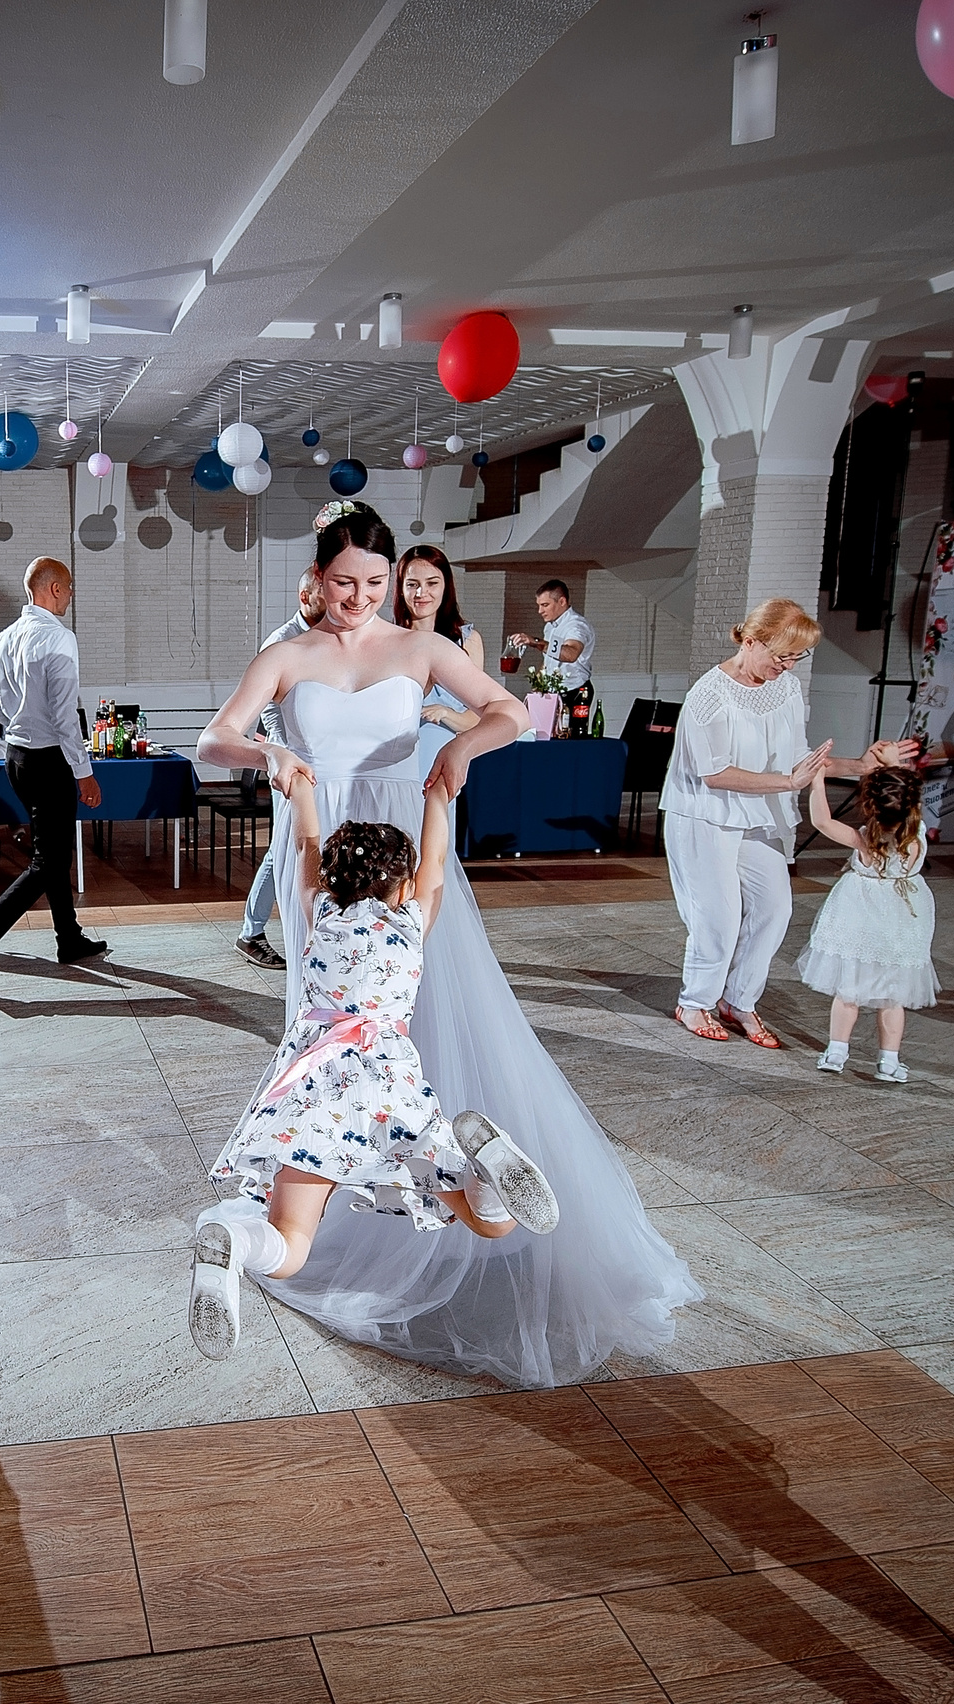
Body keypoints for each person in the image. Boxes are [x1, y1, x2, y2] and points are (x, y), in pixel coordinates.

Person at [197, 499, 700, 1386]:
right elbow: (214, 739)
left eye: (375, 583)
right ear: (316, 580)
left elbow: (511, 711)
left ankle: (452, 1164)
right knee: (335, 1028)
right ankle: (339, 1193)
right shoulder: (287, 656)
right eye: (343, 582)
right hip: (321, 841)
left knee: (427, 1008)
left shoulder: (423, 650)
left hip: (404, 834)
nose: (358, 598)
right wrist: (267, 758)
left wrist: (465, 750)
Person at [190, 773, 557, 1359]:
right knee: (491, 1224)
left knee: (290, 1242)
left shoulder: (320, 921)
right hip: (389, 1088)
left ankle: (234, 1239)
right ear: (405, 884)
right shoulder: (410, 924)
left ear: (332, 883)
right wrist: (438, 798)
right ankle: (487, 1177)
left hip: (314, 1088)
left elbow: (307, 848)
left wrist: (302, 794)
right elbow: (435, 860)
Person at [663, 599, 916, 1047]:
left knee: (775, 908)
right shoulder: (708, 694)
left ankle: (738, 1000)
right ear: (751, 640)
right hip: (704, 814)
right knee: (717, 919)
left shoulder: (787, 688)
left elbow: (801, 759)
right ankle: (695, 1001)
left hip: (756, 813)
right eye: (781, 655)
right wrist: (788, 781)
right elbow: (713, 772)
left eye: (797, 657)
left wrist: (862, 766)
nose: (787, 665)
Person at [0, 558, 106, 991]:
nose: (72, 594)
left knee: (53, 850)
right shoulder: (59, 639)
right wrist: (85, 773)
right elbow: (65, 716)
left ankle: (69, 938)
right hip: (48, 761)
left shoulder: (3, 638)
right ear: (55, 589)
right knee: (49, 859)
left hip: (17, 758)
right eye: (71, 586)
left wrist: (21, 724)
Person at [797, 763, 938, 1083]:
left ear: (870, 806)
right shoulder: (914, 837)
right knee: (892, 998)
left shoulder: (864, 839)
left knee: (848, 991)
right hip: (899, 923)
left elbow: (821, 821)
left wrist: (818, 782)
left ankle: (836, 1052)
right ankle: (888, 1062)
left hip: (860, 918)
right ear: (912, 805)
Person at [235, 576, 322, 970]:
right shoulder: (282, 641)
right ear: (305, 596)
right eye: (331, 588)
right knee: (284, 846)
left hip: (323, 763)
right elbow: (269, 707)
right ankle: (252, 932)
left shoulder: (330, 637)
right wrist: (288, 750)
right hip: (292, 763)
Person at [398, 545, 485, 772]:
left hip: (443, 755)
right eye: (412, 584)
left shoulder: (467, 641)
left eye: (432, 583)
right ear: (400, 589)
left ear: (446, 586)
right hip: (394, 758)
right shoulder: (389, 639)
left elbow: (476, 716)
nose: (421, 593)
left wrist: (445, 713)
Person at [507, 578, 594, 721]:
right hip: (553, 691)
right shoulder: (550, 626)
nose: (540, 611)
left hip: (574, 692)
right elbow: (550, 658)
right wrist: (539, 685)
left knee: (569, 740)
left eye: (545, 605)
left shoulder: (576, 626)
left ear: (562, 601)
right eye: (539, 605)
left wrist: (535, 642)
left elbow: (571, 654)